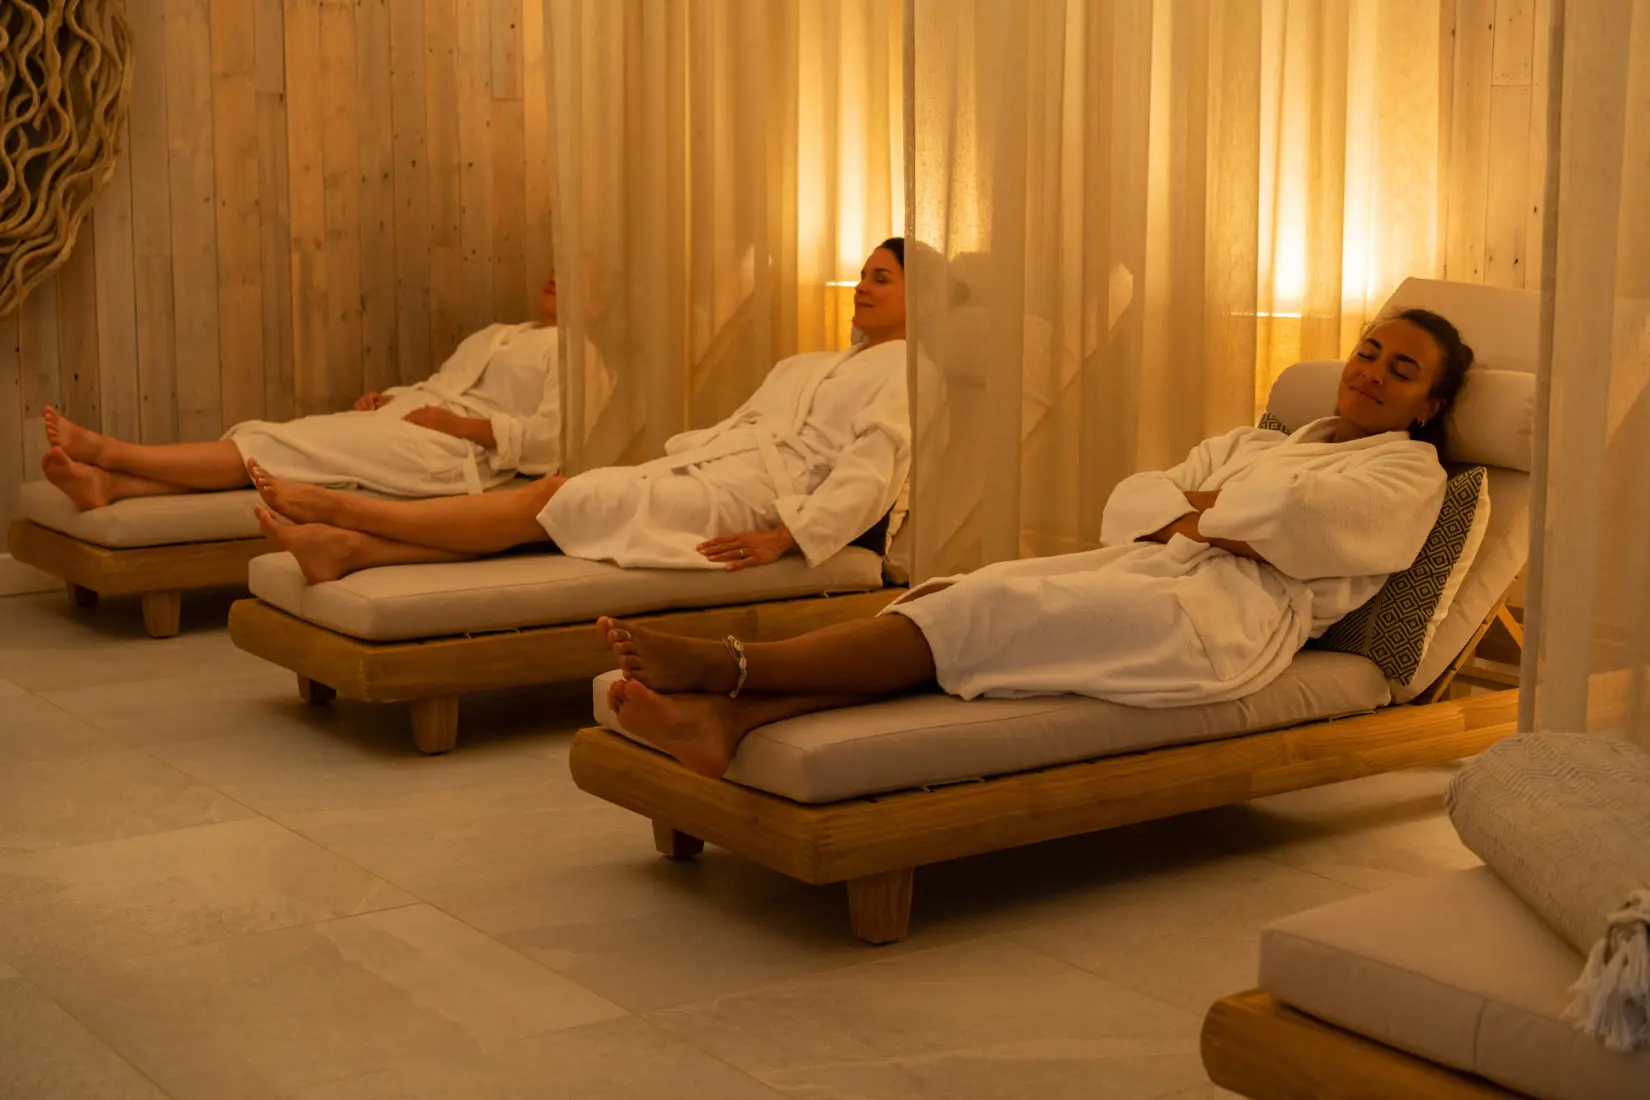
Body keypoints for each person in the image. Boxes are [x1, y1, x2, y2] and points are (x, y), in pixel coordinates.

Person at [594, 309, 1478, 778]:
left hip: (1226, 621)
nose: (1371, 373)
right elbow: (1132, 500)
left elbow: (1299, 532)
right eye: (1369, 352)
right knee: (954, 594)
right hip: (1147, 570)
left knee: (991, 607)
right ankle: (729, 722)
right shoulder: (1259, 442)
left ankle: (727, 667)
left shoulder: (1411, 474)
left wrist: (1201, 512)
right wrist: (1225, 514)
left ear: (1428, 405)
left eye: (1401, 370)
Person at [246, 240, 913, 583]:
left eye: (880, 278)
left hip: (754, 503)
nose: (861, 286)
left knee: (554, 496)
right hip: (712, 476)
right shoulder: (809, 363)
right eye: (862, 274)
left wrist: (785, 536)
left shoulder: (907, 374)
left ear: (924, 296)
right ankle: (348, 550)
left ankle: (347, 512)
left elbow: (869, 475)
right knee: (561, 509)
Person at [40, 274, 564, 509]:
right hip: (411, 422)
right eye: (553, 267)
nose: (554, 276)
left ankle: (113, 453)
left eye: (571, 275)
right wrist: (392, 397)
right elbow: (440, 388)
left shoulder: (575, 355)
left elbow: (547, 443)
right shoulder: (502, 333)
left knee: (280, 444)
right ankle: (112, 486)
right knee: (295, 446)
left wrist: (459, 426)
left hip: (455, 453)